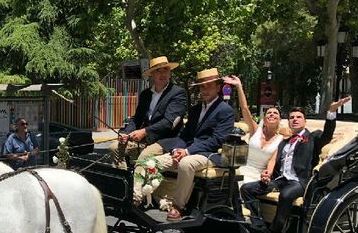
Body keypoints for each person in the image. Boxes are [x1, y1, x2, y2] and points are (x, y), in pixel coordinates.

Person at [240, 96, 351, 233]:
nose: (295, 119)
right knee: (247, 189)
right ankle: (258, 225)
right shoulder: (283, 142)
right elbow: (274, 161)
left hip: (299, 182)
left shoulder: (312, 138)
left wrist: (331, 111)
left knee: (286, 195)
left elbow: (327, 135)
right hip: (280, 180)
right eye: (292, 117)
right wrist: (267, 174)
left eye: (299, 117)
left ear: (305, 122)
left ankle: (276, 232)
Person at [143, 67, 235, 220]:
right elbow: (184, 135)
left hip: (210, 155)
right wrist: (177, 149)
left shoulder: (225, 110)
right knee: (151, 162)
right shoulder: (195, 110)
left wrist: (187, 151)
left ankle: (178, 205)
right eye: (202, 87)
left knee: (186, 164)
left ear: (218, 88)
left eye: (209, 86)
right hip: (189, 151)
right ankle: (143, 197)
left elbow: (216, 140)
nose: (204, 90)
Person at [110, 56, 188, 169]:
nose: (162, 74)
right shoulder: (145, 94)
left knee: (144, 157)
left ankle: (138, 185)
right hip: (145, 139)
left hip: (166, 140)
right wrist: (125, 133)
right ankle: (125, 180)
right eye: (158, 71)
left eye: (165, 70)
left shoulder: (178, 93)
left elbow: (169, 122)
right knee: (114, 148)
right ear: (152, 74)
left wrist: (144, 131)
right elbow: (137, 118)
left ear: (169, 73)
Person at [222, 75, 284, 184]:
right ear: (264, 119)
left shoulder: (281, 140)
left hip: (258, 176)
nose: (272, 115)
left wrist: (267, 175)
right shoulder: (255, 130)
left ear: (279, 120)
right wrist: (239, 86)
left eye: (275, 113)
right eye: (269, 113)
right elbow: (245, 108)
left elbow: (272, 162)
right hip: (241, 170)